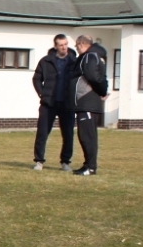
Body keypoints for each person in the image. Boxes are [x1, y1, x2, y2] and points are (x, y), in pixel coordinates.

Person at [32, 34, 78, 171]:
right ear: (55, 46)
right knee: (42, 133)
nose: (64, 47)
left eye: (66, 44)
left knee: (68, 134)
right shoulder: (46, 61)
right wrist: (42, 93)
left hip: (67, 103)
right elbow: (36, 79)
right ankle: (39, 161)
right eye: (61, 45)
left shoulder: (74, 61)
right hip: (48, 103)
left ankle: (65, 162)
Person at [72, 34, 109, 176]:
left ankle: (91, 167)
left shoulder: (89, 57)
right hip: (85, 102)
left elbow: (94, 77)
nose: (76, 49)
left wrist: (101, 91)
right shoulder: (95, 56)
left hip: (87, 102)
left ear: (81, 44)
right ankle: (87, 164)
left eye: (76, 46)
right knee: (85, 135)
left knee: (88, 136)